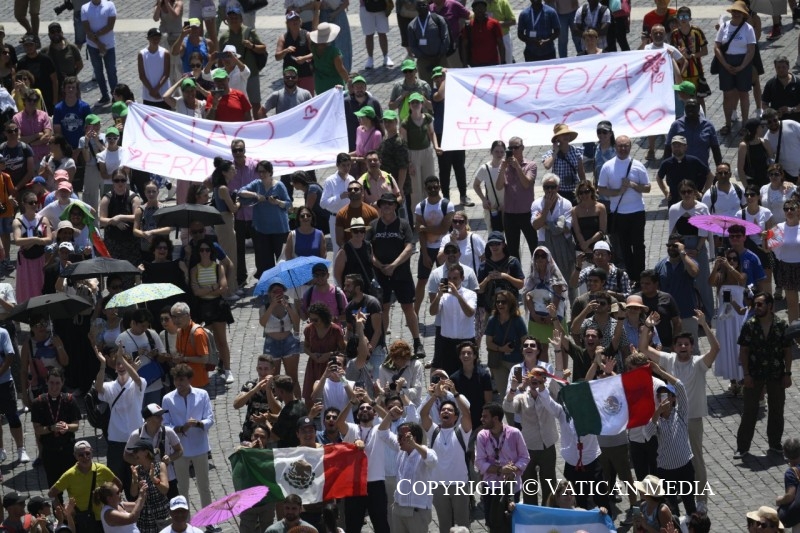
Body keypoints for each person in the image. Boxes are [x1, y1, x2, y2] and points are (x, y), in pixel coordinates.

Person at [735, 291, 792, 459]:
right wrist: (746, 374)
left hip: (776, 373)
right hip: (754, 374)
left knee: (777, 410)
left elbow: (787, 351)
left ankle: (775, 443)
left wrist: (787, 373)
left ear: (770, 306)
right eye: (755, 304)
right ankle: (742, 447)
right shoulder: (750, 325)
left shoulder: (781, 325)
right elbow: (744, 351)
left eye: (760, 304)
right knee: (749, 411)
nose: (756, 307)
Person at [368, 193, 425, 357]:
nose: (386, 206)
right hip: (380, 274)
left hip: (401, 273)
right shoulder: (373, 225)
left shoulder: (404, 224)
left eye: (390, 203)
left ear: (395, 206)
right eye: (383, 203)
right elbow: (368, 249)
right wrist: (380, 265)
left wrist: (393, 265)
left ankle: (417, 342)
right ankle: (382, 345)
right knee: (383, 308)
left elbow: (409, 247)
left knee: (408, 307)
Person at [93, 344, 146, 498]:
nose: (121, 366)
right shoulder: (110, 386)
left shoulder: (139, 383)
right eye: (118, 364)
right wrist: (103, 364)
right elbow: (98, 388)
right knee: (115, 479)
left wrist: (123, 359)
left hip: (136, 439)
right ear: (115, 368)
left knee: (136, 479)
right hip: (116, 439)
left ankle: (137, 506)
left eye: (124, 363)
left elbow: (136, 379)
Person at [597, 135, 650, 284]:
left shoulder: (638, 165)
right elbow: (601, 189)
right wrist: (617, 192)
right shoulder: (607, 166)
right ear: (615, 147)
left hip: (637, 211)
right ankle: (631, 277)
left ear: (630, 147)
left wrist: (633, 185)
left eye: (626, 146)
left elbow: (647, 187)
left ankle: (641, 275)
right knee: (624, 246)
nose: (623, 149)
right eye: (620, 146)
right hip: (619, 213)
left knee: (638, 245)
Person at [162, 364, 214, 512]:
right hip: (179, 449)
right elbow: (165, 424)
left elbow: (210, 419)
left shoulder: (202, 394)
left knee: (204, 486)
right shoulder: (167, 399)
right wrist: (180, 428)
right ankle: (185, 519)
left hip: (200, 447)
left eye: (182, 380)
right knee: (182, 487)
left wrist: (198, 423)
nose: (178, 383)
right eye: (176, 380)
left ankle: (208, 519)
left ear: (190, 380)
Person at [475, 402, 529, 531]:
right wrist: (500, 470)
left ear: (495, 418)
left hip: (512, 487)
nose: (481, 419)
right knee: (492, 523)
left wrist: (513, 469)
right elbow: (479, 462)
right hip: (491, 487)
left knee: (511, 523)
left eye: (485, 416)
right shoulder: (482, 436)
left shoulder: (515, 433)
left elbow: (525, 457)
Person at [50, 441, 122, 533]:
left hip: (102, 517)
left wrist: (114, 502)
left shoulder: (102, 469)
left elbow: (118, 484)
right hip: (81, 520)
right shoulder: (69, 475)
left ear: (92, 452)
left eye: (87, 453)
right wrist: (63, 512)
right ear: (75, 456)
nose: (85, 457)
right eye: (81, 455)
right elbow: (52, 493)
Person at [189, 237, 234, 383]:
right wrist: (213, 287)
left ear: (211, 252)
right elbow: (196, 291)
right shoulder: (195, 269)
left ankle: (227, 369)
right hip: (202, 308)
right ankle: (206, 370)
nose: (204, 253)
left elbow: (223, 288)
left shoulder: (218, 267)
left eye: (207, 250)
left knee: (222, 341)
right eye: (201, 250)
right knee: (204, 341)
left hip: (217, 306)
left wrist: (206, 290)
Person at [30, 367, 81, 487]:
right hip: (49, 451)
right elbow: (37, 429)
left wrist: (67, 427)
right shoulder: (38, 403)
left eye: (57, 383)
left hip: (68, 450)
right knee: (54, 487)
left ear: (62, 383)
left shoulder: (69, 400)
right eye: (51, 383)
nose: (54, 387)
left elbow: (76, 425)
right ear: (46, 382)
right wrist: (51, 428)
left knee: (73, 487)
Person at [125, 403, 183, 500]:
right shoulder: (136, 435)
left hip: (168, 477)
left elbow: (180, 450)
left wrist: (170, 458)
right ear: (148, 419)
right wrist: (142, 463)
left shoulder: (168, 432)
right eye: (158, 416)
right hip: (145, 480)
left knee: (173, 504)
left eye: (161, 415)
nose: (162, 418)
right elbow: (126, 455)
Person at [531, 174, 576, 300]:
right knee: (545, 275)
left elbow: (566, 228)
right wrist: (546, 209)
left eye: (553, 187)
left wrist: (546, 224)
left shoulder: (566, 203)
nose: (550, 190)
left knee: (567, 277)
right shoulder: (537, 204)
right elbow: (536, 225)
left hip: (563, 244)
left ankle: (572, 306)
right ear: (543, 188)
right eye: (547, 187)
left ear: (558, 187)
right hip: (544, 242)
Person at [714, 1, 756, 136]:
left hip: (743, 62)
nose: (736, 14)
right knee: (727, 95)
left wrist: (742, 66)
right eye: (734, 11)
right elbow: (717, 47)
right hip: (726, 62)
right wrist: (725, 64)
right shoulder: (724, 26)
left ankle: (745, 124)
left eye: (739, 12)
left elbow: (751, 50)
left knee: (744, 94)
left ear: (743, 14)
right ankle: (727, 124)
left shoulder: (748, 28)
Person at [217, 6, 267, 115]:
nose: (233, 20)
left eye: (236, 18)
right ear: (227, 20)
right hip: (233, 77)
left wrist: (252, 46)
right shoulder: (224, 37)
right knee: (236, 102)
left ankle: (259, 123)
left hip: (251, 73)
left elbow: (263, 48)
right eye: (231, 18)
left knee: (255, 103)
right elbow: (220, 59)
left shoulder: (249, 32)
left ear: (241, 19)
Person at [401, 93, 440, 212]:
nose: (415, 104)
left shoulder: (427, 118)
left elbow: (431, 133)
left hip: (427, 152)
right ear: (409, 105)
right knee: (416, 187)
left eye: (417, 102)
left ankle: (433, 209)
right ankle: (418, 214)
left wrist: (436, 147)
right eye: (413, 102)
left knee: (430, 181)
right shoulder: (405, 122)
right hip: (413, 154)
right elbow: (404, 144)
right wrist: (409, 163)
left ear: (422, 104)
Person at [522, 247, 567, 345]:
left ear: (548, 258)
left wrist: (551, 315)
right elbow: (527, 295)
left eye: (543, 256)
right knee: (540, 347)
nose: (540, 258)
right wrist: (534, 314)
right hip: (536, 316)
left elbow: (557, 295)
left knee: (562, 345)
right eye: (537, 256)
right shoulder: (532, 277)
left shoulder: (555, 275)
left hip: (554, 316)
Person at [657, 135, 713, 206]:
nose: (676, 148)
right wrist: (666, 192)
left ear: (685, 147)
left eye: (679, 145)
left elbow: (710, 176)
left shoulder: (693, 161)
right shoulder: (666, 163)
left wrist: (703, 192)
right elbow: (659, 178)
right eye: (674, 146)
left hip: (693, 200)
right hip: (674, 201)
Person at [128, 439, 170, 533]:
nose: (134, 454)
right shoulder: (137, 470)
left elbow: (165, 490)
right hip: (145, 516)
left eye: (136, 451)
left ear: (146, 452)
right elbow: (133, 493)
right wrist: (135, 480)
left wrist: (153, 479)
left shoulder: (160, 466)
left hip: (161, 513)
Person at [81, 0, 119, 105]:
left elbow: (110, 26)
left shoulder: (110, 5)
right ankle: (105, 96)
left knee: (111, 71)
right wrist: (99, 44)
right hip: (93, 46)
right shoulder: (84, 8)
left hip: (109, 45)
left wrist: (96, 35)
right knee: (98, 72)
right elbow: (87, 30)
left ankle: (115, 96)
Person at [309, 14, 350, 94]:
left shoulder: (313, 48)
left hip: (320, 85)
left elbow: (313, 28)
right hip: (334, 85)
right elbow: (341, 70)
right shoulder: (334, 52)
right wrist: (349, 81)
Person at [473, 140, 506, 233]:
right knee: (494, 235)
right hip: (492, 208)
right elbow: (476, 185)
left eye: (502, 152)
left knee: (510, 235)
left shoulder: (508, 166)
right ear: (491, 152)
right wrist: (483, 200)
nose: (499, 154)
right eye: (496, 151)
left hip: (507, 207)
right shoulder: (485, 168)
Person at [763, 110, 800, 182]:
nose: (773, 123)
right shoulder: (766, 140)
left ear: (778, 117)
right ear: (765, 123)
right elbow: (771, 160)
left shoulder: (791, 124)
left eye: (775, 120)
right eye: (769, 122)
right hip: (787, 175)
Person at [138, 28, 171, 109]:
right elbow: (142, 75)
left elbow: (166, 74)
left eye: (158, 38)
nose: (156, 40)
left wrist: (156, 90)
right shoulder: (142, 54)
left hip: (163, 94)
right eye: (153, 38)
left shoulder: (165, 53)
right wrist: (151, 90)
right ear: (148, 39)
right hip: (148, 96)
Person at [738, 118, 773, 189]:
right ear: (756, 129)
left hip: (765, 181)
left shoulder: (765, 142)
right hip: (752, 182)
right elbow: (740, 169)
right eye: (761, 126)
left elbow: (772, 162)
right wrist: (746, 188)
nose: (763, 128)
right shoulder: (744, 146)